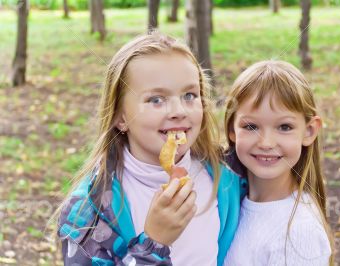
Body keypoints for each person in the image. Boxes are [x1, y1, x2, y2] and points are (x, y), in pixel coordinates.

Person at [55, 33, 244, 266]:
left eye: (189, 95)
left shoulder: (231, 178)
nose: (178, 110)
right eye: (156, 99)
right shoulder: (88, 213)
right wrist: (154, 242)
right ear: (120, 118)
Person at [223, 60, 334, 265]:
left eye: (284, 127)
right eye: (251, 126)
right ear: (232, 130)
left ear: (309, 131)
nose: (266, 143)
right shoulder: (227, 200)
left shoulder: (299, 233)